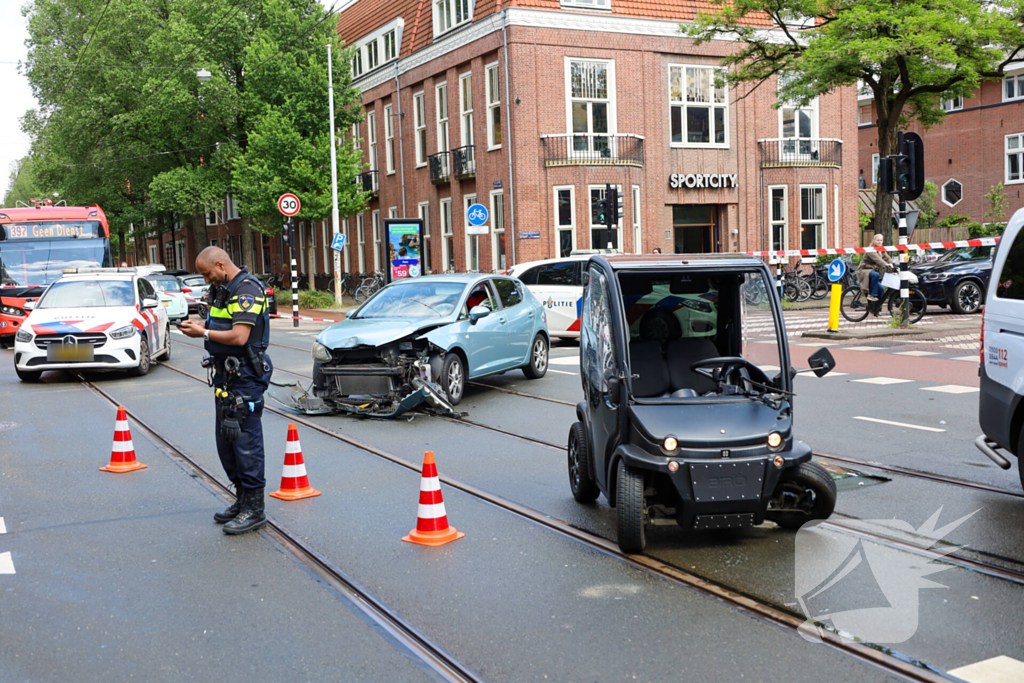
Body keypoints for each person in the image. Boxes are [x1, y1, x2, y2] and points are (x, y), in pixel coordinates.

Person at [179, 247, 274, 535]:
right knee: (227, 442)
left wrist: (203, 333)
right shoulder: (222, 289)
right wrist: (202, 326)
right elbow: (220, 323)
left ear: (221, 264)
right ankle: (242, 499)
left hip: (245, 375)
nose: (207, 280)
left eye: (208, 273)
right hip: (226, 375)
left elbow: (239, 335)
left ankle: (254, 509)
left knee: (245, 441)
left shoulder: (247, 290)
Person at [857, 233, 895, 312]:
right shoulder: (871, 250)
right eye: (878, 240)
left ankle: (876, 308)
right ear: (874, 241)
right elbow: (878, 259)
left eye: (881, 240)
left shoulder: (881, 250)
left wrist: (893, 264)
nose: (879, 242)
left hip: (872, 271)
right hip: (865, 270)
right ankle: (872, 295)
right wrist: (886, 265)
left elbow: (887, 258)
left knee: (881, 289)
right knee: (876, 275)